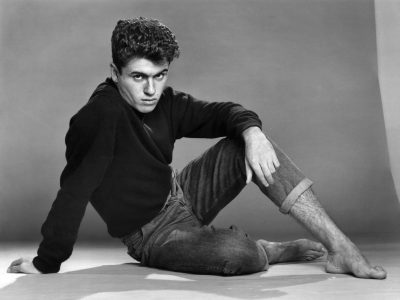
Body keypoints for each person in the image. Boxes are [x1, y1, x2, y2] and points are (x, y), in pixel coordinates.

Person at [8, 17, 386, 279]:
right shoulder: (99, 118)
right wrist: (46, 262)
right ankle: (269, 250)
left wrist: (253, 132)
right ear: (114, 72)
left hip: (181, 193)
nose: (151, 90)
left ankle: (341, 248)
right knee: (240, 256)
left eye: (159, 76)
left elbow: (226, 113)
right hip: (152, 235)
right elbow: (73, 192)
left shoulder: (165, 102)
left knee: (248, 139)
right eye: (138, 77)